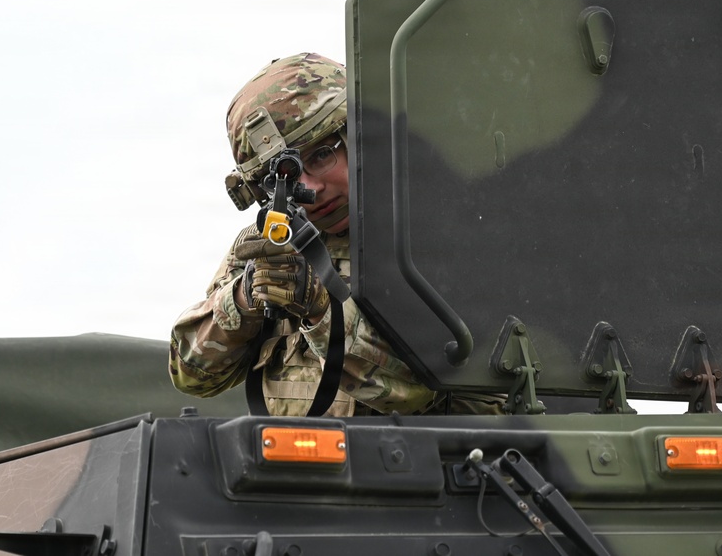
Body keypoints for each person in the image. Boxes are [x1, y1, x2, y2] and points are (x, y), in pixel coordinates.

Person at [170, 53, 503, 417]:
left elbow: (418, 393)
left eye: (321, 156)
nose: (309, 188)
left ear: (358, 140)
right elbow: (192, 375)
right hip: (293, 469)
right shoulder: (271, 246)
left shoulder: (437, 232)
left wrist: (319, 309)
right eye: (284, 178)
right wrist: (245, 298)